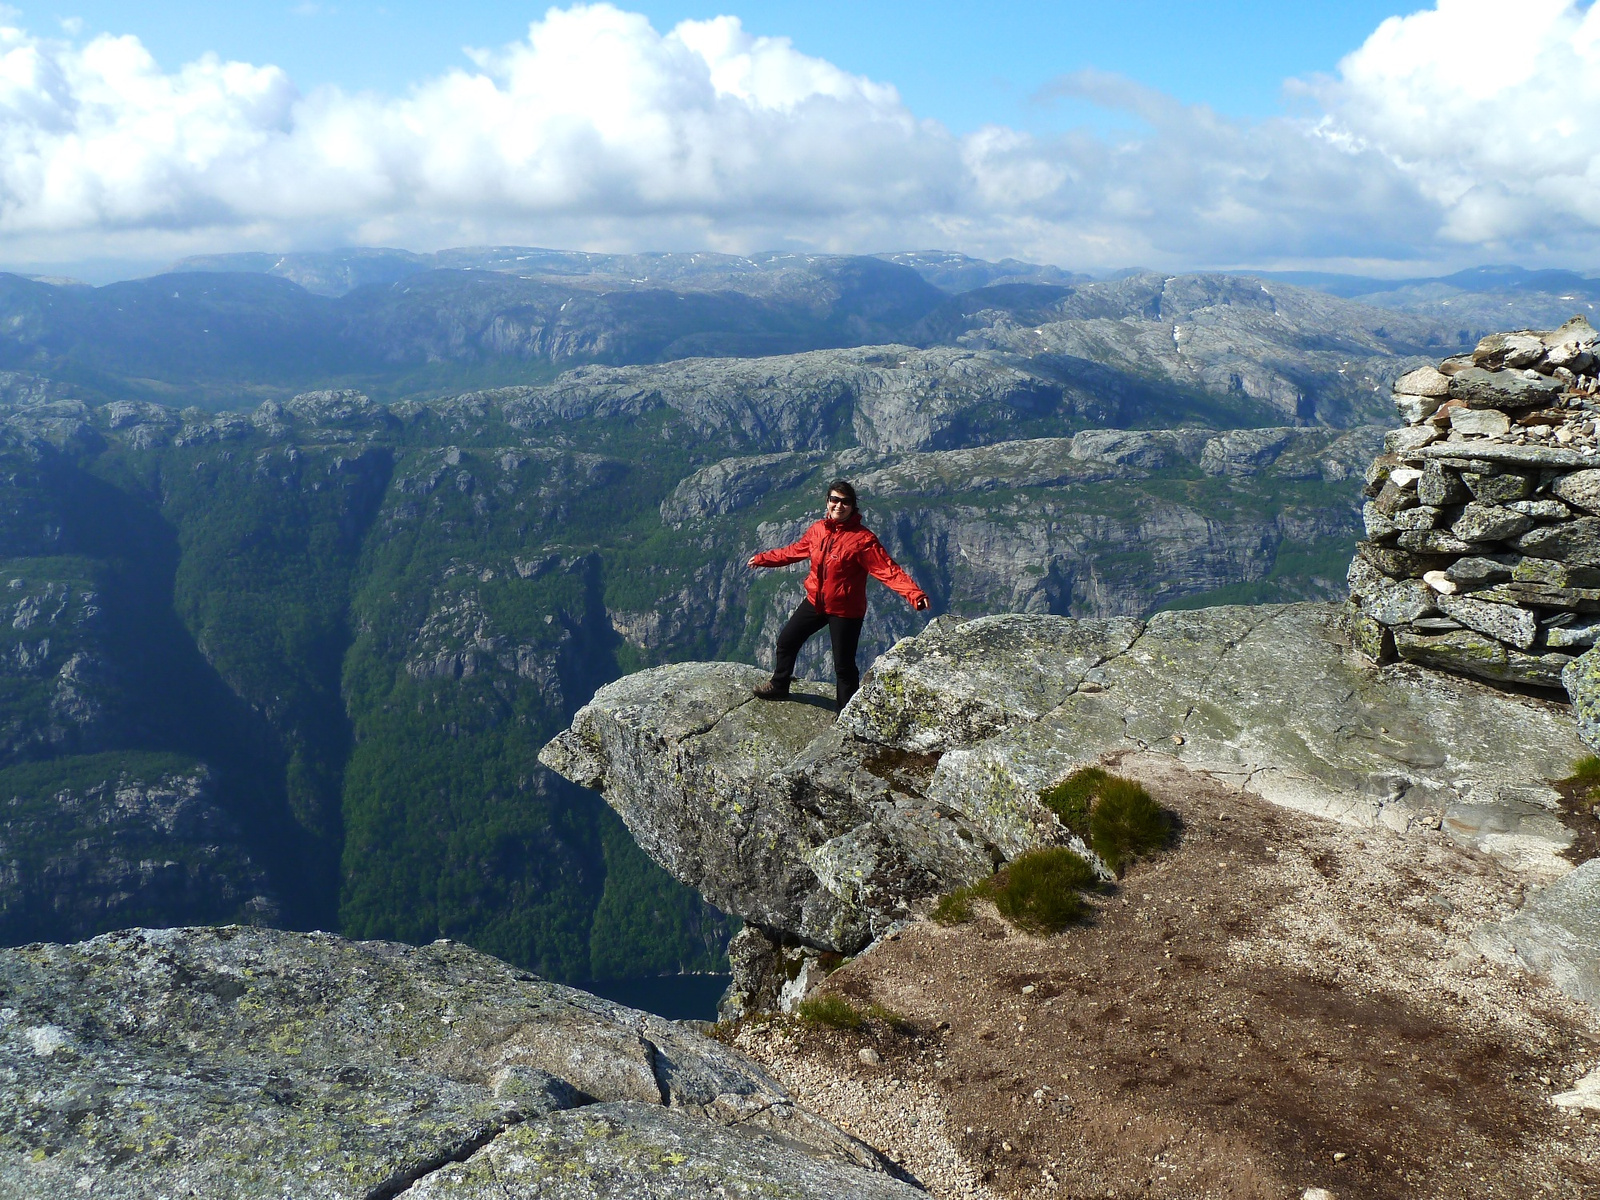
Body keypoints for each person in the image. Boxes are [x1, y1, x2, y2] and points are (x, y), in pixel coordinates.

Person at [746, 480, 930, 712]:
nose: (839, 505)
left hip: (846, 610)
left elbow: (888, 570)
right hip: (816, 601)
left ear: (853, 507)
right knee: (786, 641)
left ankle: (846, 714)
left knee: (843, 667)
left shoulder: (863, 540)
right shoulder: (818, 530)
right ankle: (779, 685)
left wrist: (915, 595)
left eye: (845, 502)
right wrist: (763, 559)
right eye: (835, 500)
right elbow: (793, 552)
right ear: (827, 502)